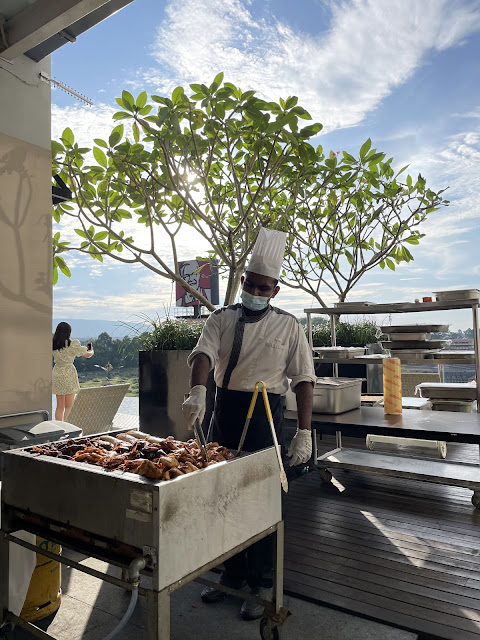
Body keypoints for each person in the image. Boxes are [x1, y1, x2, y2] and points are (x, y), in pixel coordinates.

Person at [182, 228, 316, 621]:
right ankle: (233, 575)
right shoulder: (221, 318)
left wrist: (304, 432)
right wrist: (198, 392)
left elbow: (304, 380)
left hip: (266, 416)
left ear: (276, 290)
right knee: (224, 495)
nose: (256, 292)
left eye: (264, 287)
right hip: (225, 408)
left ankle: (260, 584)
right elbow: (204, 355)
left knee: (262, 498)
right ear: (242, 283)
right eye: (251, 285)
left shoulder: (289, 326)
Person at [52, 322, 94, 420]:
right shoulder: (72, 345)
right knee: (69, 406)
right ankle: (67, 429)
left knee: (59, 406)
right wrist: (91, 349)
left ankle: (58, 428)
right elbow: (87, 354)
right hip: (68, 373)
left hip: (57, 372)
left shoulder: (53, 343)